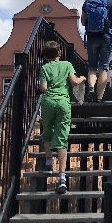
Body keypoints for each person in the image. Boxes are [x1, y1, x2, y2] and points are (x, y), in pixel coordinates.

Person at [39, 41, 86, 194]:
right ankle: (62, 177)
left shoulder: (44, 67)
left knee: (47, 131)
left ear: (45, 56)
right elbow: (74, 82)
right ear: (59, 53)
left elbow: (43, 88)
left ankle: (48, 161)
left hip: (48, 103)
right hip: (63, 103)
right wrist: (83, 78)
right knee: (61, 137)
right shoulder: (67, 65)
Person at [81, 0, 112, 102]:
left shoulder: (87, 3)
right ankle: (99, 98)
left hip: (92, 36)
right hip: (106, 37)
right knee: (103, 67)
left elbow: (83, 22)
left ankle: (91, 87)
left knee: (92, 67)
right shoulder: (110, 2)